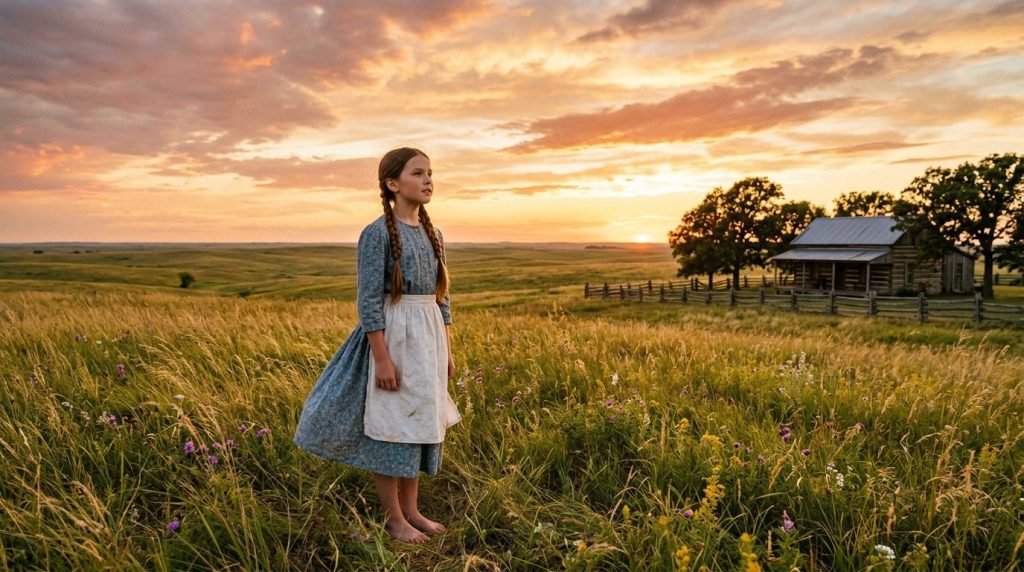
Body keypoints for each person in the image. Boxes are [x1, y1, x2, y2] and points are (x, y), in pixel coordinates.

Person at [293, 147, 461, 544]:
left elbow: (442, 298)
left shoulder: (434, 234)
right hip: (393, 337)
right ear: (392, 184)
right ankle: (394, 519)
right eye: (417, 173)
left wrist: (447, 349)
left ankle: (412, 511)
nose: (428, 180)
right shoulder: (377, 233)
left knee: (419, 423)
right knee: (391, 425)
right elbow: (369, 301)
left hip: (428, 339)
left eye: (430, 173)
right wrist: (382, 359)